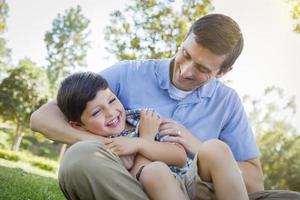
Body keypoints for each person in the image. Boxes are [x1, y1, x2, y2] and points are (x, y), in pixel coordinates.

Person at [30, 14, 300, 200]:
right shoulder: (128, 74)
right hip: (135, 188)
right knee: (80, 158)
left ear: (224, 71)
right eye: (185, 54)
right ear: (184, 39)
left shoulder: (227, 102)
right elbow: (42, 118)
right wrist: (108, 147)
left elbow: (253, 184)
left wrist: (195, 144)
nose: (184, 71)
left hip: (201, 188)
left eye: (202, 68)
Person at [56, 71, 248, 200]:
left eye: (112, 100)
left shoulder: (142, 118)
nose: (111, 113)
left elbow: (179, 156)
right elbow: (130, 181)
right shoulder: (100, 150)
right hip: (155, 192)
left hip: (187, 184)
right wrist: (146, 139)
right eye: (97, 112)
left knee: (216, 147)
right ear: (78, 126)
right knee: (154, 171)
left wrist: (139, 143)